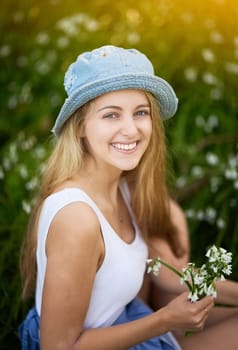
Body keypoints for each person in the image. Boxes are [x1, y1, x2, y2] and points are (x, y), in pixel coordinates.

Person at [18, 45, 237, 350]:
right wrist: (165, 320)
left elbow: (171, 276)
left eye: (140, 113)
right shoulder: (77, 218)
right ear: (80, 126)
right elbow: (57, 346)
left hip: (125, 321)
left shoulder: (126, 188)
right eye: (111, 115)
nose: (131, 129)